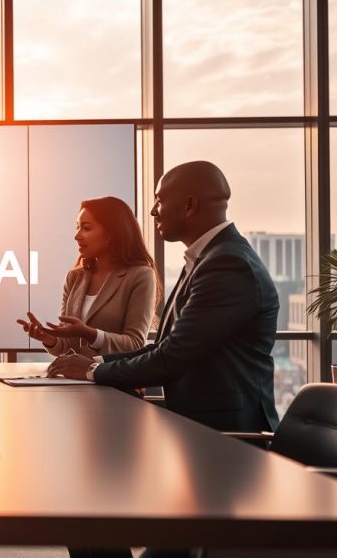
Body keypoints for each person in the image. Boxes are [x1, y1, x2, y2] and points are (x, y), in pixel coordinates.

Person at [48, 161, 280, 436]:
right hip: (200, 429)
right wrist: (96, 364)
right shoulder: (206, 259)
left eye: (159, 200)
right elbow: (165, 346)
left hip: (227, 437)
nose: (152, 211)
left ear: (189, 206)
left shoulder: (227, 264)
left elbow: (172, 357)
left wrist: (92, 372)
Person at [16, 196, 160, 359]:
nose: (77, 236)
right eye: (77, 227)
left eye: (86, 228)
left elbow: (134, 344)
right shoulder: (75, 277)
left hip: (113, 382)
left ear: (111, 233)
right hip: (77, 380)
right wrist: (48, 338)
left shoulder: (140, 276)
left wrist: (89, 334)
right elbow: (67, 347)